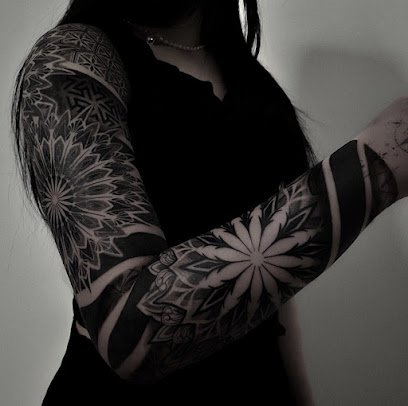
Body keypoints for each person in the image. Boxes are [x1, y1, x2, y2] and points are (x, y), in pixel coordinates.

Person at [10, 0, 407, 403]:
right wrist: (375, 165)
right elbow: (129, 328)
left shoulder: (253, 84)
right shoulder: (74, 59)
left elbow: (271, 299)